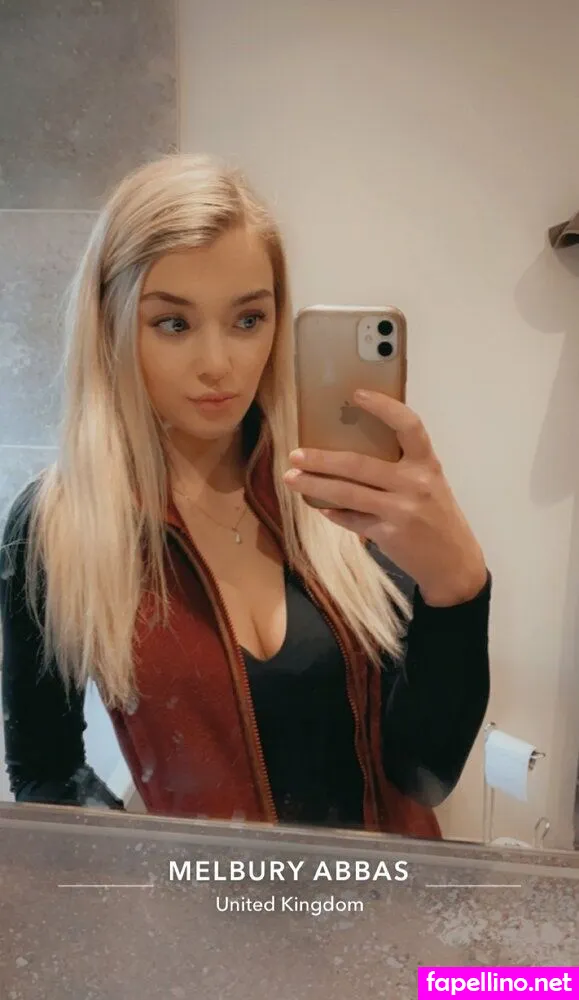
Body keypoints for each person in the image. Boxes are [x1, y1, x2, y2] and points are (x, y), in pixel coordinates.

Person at [0, 153, 491, 838]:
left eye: (248, 319)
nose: (218, 364)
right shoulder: (57, 526)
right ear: (111, 323)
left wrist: (459, 588)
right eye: (173, 324)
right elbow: (45, 773)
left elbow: (424, 775)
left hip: (387, 895)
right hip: (213, 903)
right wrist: (152, 870)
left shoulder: (339, 492)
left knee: (546, 944)